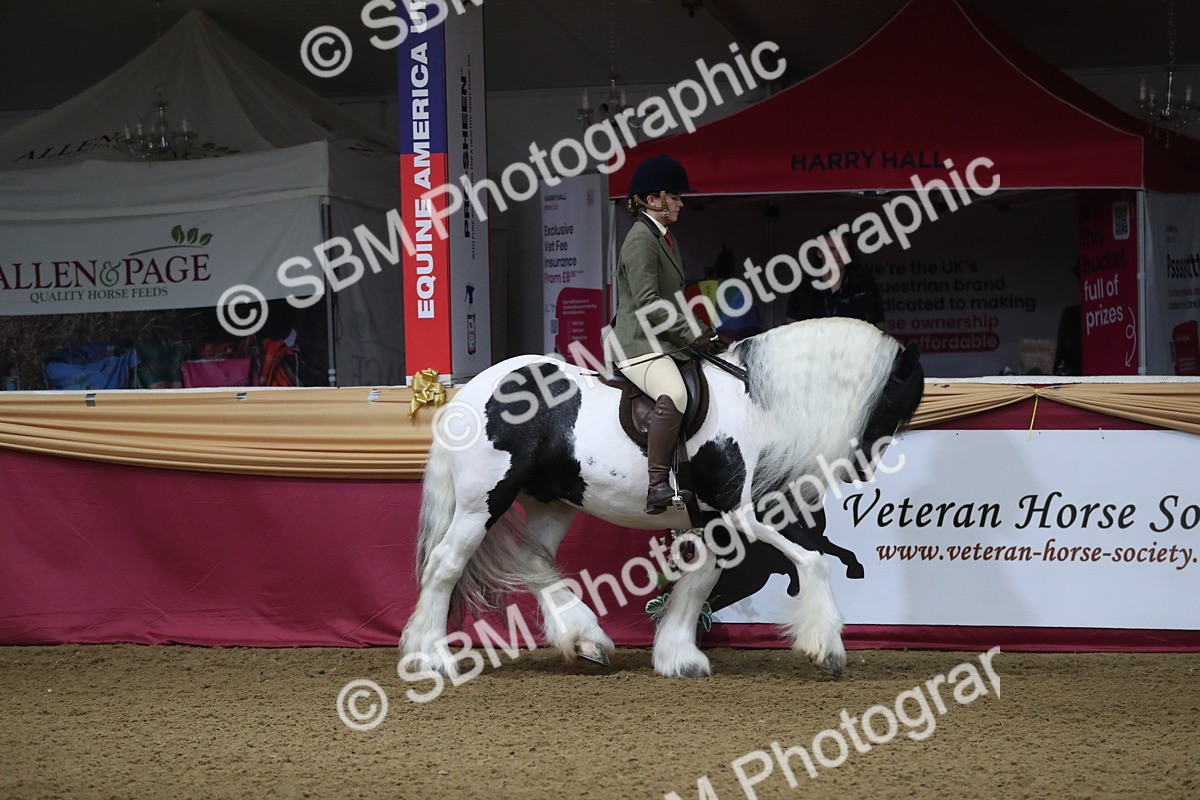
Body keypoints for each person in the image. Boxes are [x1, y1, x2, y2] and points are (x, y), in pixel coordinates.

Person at [605, 154, 714, 514]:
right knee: (675, 392)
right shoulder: (640, 240)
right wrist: (689, 332)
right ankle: (656, 486)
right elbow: (650, 303)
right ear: (654, 200)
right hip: (638, 344)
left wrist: (699, 331)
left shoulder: (665, 238)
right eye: (676, 197)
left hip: (664, 341)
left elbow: (673, 299)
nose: (682, 203)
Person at [786, 227, 885, 331]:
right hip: (814, 346)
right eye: (831, 249)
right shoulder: (804, 287)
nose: (837, 255)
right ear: (819, 253)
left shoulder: (865, 285)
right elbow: (791, 328)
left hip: (854, 347)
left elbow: (879, 327)